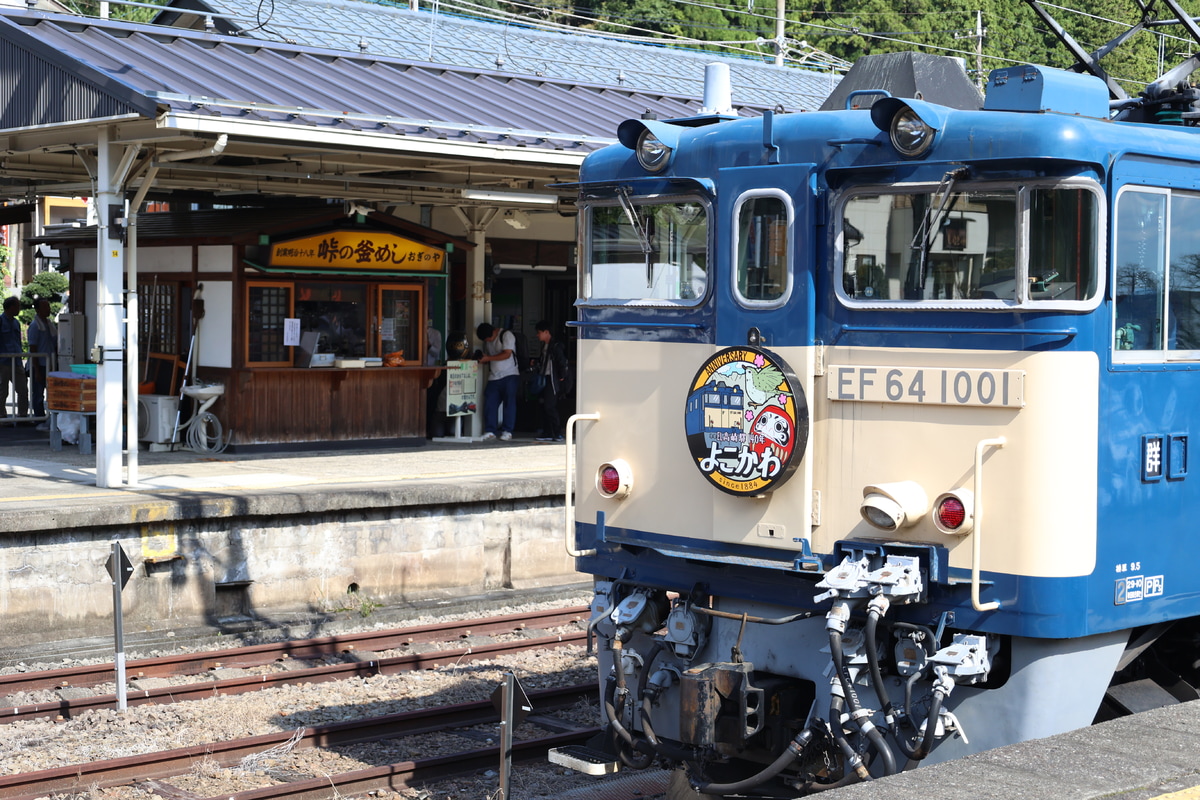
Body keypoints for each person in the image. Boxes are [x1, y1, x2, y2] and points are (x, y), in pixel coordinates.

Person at [475, 322, 519, 441]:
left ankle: (507, 431)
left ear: (494, 332)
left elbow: (507, 354)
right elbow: (491, 356)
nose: (488, 341)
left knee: (509, 403)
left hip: (510, 374)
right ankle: (490, 430)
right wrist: (484, 359)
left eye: (489, 339)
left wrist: (488, 358)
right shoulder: (488, 341)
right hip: (494, 376)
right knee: (490, 403)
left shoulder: (506, 335)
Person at [533, 320, 570, 442]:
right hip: (545, 378)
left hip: (552, 380)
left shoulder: (555, 346)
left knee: (550, 406)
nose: (537, 335)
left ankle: (557, 432)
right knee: (544, 406)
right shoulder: (545, 346)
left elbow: (562, 363)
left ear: (546, 332)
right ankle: (548, 432)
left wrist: (561, 377)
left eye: (539, 332)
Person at [26, 299, 57, 428]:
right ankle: (39, 418)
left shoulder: (49, 324)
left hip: (49, 363)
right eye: (45, 307)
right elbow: (33, 347)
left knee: (48, 392)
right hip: (39, 364)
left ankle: (45, 418)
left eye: (48, 306)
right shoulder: (35, 325)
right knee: (38, 393)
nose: (48, 309)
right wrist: (36, 369)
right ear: (38, 310)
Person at [0, 296, 29, 419]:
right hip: (3, 361)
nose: (19, 309)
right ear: (11, 307)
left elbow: (18, 341)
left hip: (17, 360)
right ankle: (2, 415)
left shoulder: (16, 323)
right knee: (2, 390)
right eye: (17, 306)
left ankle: (23, 415)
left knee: (22, 389)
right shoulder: (1, 321)